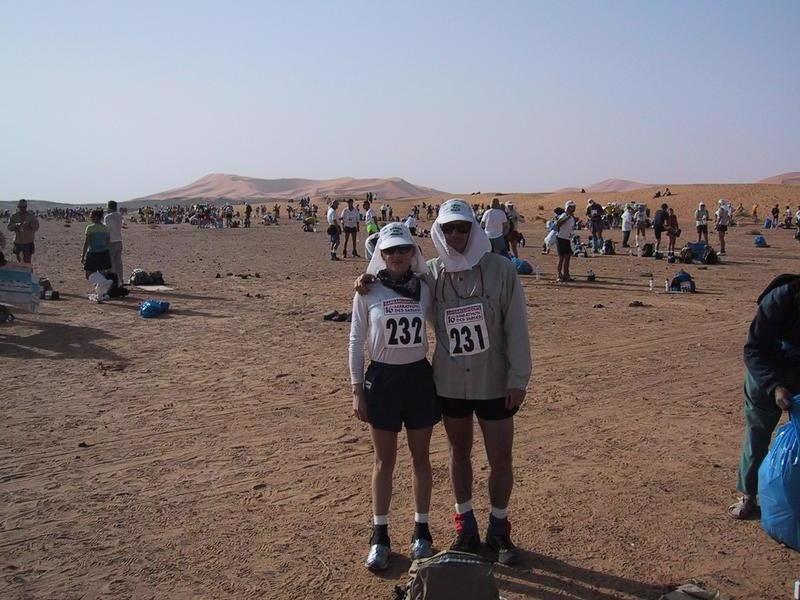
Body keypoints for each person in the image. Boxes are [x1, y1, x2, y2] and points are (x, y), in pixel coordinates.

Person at [355, 199, 532, 565]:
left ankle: (499, 530)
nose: (455, 234)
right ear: (439, 231)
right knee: (458, 453)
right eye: (448, 228)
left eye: (462, 227)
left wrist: (518, 377)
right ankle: (465, 526)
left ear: (474, 228)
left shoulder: (501, 270)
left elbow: (517, 326)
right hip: (450, 381)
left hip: (495, 380)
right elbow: (395, 283)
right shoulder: (432, 275)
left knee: (501, 456)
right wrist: (366, 279)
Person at [349, 223, 439, 570]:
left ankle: (421, 532)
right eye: (390, 250)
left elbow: (441, 326)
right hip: (383, 380)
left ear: (413, 252)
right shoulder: (367, 291)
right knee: (383, 461)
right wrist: (357, 389)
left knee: (421, 458)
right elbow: (356, 341)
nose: (397, 255)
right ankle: (380, 537)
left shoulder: (425, 288)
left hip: (418, 378)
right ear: (380, 254)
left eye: (403, 249)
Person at [729, 275, 800, 519]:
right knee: (757, 433)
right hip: (766, 374)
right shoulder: (779, 299)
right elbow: (753, 350)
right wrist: (774, 386)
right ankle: (748, 495)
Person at [81, 208, 112, 299]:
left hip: (93, 253)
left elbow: (87, 242)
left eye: (91, 216)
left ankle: (104, 284)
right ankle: (100, 295)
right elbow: (108, 241)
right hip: (104, 252)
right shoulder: (106, 228)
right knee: (101, 273)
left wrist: (83, 255)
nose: (90, 218)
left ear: (96, 217)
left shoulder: (90, 228)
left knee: (88, 274)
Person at [7, 199, 39, 264]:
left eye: (24, 207)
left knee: (27, 262)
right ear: (18, 207)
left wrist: (29, 225)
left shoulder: (31, 216)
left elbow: (36, 227)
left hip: (28, 242)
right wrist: (16, 225)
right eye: (21, 207)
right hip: (18, 242)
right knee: (19, 261)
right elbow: (9, 228)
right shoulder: (14, 216)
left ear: (26, 207)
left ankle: (28, 270)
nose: (22, 209)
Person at [556, 201, 577, 283]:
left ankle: (566, 275)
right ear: (568, 207)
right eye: (572, 206)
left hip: (567, 238)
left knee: (567, 257)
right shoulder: (564, 215)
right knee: (561, 258)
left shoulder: (571, 217)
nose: (574, 208)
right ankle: (559, 275)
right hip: (561, 238)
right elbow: (558, 223)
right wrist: (567, 217)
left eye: (574, 206)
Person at [103, 200, 124, 282]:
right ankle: (121, 279)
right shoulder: (119, 215)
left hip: (111, 241)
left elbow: (107, 230)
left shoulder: (108, 217)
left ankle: (114, 280)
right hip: (119, 240)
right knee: (118, 262)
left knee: (111, 262)